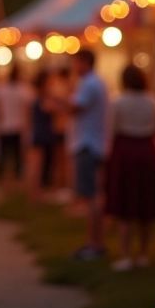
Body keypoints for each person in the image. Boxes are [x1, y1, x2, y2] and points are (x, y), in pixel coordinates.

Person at [104, 65, 155, 271]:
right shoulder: (153, 100)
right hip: (148, 151)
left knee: (125, 205)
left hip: (125, 152)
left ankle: (126, 255)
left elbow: (112, 129)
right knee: (145, 204)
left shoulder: (118, 101)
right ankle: (143, 254)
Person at [60, 49, 109, 261]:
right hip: (93, 144)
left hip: (87, 145)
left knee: (90, 196)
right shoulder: (94, 82)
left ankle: (94, 243)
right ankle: (95, 242)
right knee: (92, 195)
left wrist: (56, 100)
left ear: (85, 62)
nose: (74, 67)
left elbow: (75, 107)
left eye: (76, 63)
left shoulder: (90, 83)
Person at [0, 64, 31, 189]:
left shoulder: (1, 88)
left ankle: (4, 178)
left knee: (4, 155)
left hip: (4, 126)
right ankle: (14, 179)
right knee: (16, 155)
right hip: (17, 126)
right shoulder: (23, 89)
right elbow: (26, 109)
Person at [29, 70, 57, 200]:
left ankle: (37, 193)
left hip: (43, 134)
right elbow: (53, 109)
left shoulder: (37, 97)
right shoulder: (41, 99)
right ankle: (35, 194)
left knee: (40, 166)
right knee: (38, 167)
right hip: (41, 135)